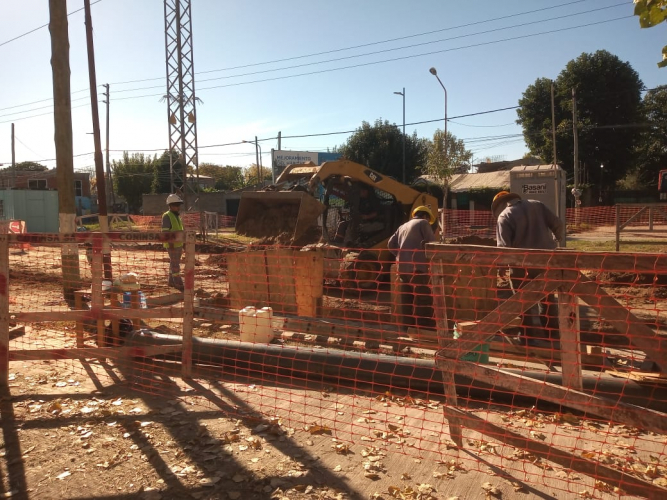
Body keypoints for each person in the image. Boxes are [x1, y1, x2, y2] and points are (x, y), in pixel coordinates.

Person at [492, 191, 564, 345]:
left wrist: (501, 267)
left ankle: (527, 336)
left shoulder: (504, 216)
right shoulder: (537, 205)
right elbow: (558, 224)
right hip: (546, 261)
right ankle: (552, 335)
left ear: (499, 205)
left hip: (520, 266)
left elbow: (503, 248)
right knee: (548, 299)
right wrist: (557, 243)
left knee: (522, 301)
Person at [388, 206, 437, 331]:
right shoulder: (423, 223)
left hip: (402, 268)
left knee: (407, 299)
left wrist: (400, 255)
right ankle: (424, 328)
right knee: (423, 297)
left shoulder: (402, 226)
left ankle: (406, 328)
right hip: (418, 268)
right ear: (426, 216)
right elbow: (432, 244)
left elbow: (390, 244)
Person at [162, 194, 185, 291]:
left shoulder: (177, 216)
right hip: (172, 245)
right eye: (176, 205)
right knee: (175, 264)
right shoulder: (167, 216)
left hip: (178, 244)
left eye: (179, 205)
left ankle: (171, 281)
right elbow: (166, 232)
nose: (178, 207)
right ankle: (178, 282)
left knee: (174, 262)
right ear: (170, 205)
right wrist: (170, 245)